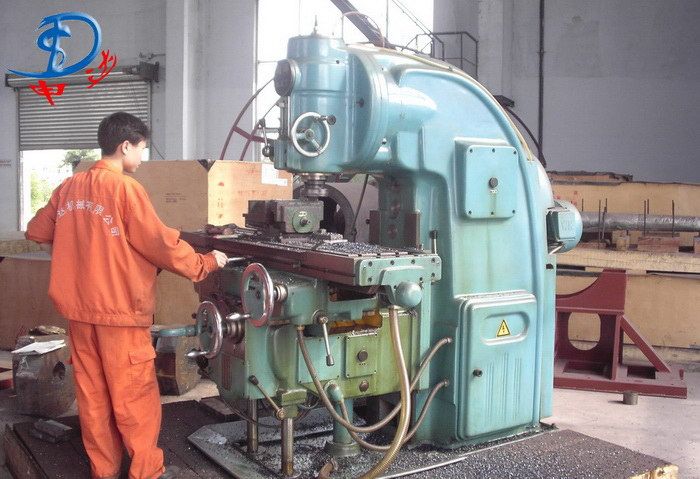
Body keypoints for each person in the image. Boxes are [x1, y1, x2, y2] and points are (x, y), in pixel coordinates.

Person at [25, 112, 228, 479]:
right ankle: (145, 473)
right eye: (141, 149)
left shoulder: (69, 187)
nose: (141, 157)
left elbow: (37, 231)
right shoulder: (125, 189)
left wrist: (80, 242)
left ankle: (103, 471)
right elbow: (160, 244)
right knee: (134, 398)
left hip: (79, 315)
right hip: (120, 314)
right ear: (125, 146)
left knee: (94, 398)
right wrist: (206, 263)